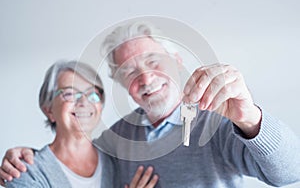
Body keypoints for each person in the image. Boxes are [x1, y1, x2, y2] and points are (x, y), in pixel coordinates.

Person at [1, 21, 300, 187]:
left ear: (177, 61)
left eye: (153, 61)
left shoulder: (217, 123)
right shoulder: (116, 139)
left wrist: (250, 118)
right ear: (121, 85)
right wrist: (27, 155)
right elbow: (72, 159)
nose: (145, 78)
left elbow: (290, 172)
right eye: (130, 72)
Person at [1, 60, 158, 188]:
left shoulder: (117, 161)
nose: (84, 102)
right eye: (69, 94)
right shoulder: (26, 172)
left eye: (93, 95)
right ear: (49, 110)